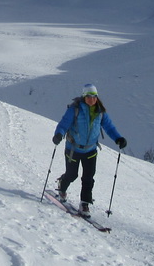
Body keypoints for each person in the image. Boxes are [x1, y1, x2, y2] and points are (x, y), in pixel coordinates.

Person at [52, 83, 127, 214]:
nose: (92, 99)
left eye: (94, 96)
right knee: (72, 174)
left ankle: (85, 203)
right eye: (89, 96)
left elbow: (109, 127)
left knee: (88, 178)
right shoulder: (75, 109)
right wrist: (59, 134)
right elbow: (64, 123)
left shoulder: (100, 112)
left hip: (90, 150)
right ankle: (62, 186)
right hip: (73, 149)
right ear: (84, 97)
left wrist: (118, 138)